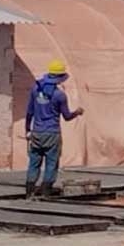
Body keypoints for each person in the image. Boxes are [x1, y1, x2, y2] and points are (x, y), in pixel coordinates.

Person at [24, 60, 83, 199]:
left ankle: (29, 192)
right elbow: (67, 116)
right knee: (51, 163)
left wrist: (27, 130)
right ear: (61, 77)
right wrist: (77, 112)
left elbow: (29, 112)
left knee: (34, 163)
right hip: (52, 133)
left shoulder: (36, 89)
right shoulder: (59, 95)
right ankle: (46, 192)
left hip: (36, 133)